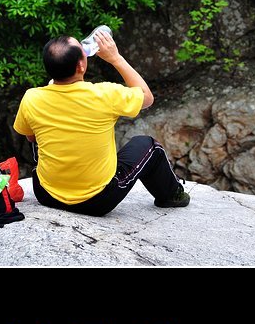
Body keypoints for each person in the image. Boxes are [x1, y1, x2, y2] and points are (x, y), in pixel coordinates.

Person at [13, 29, 190, 216]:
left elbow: (31, 137)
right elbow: (147, 98)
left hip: (46, 194)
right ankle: (172, 195)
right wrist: (116, 58)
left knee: (39, 136)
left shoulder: (32, 98)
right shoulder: (104, 94)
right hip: (97, 201)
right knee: (148, 145)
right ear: (81, 66)